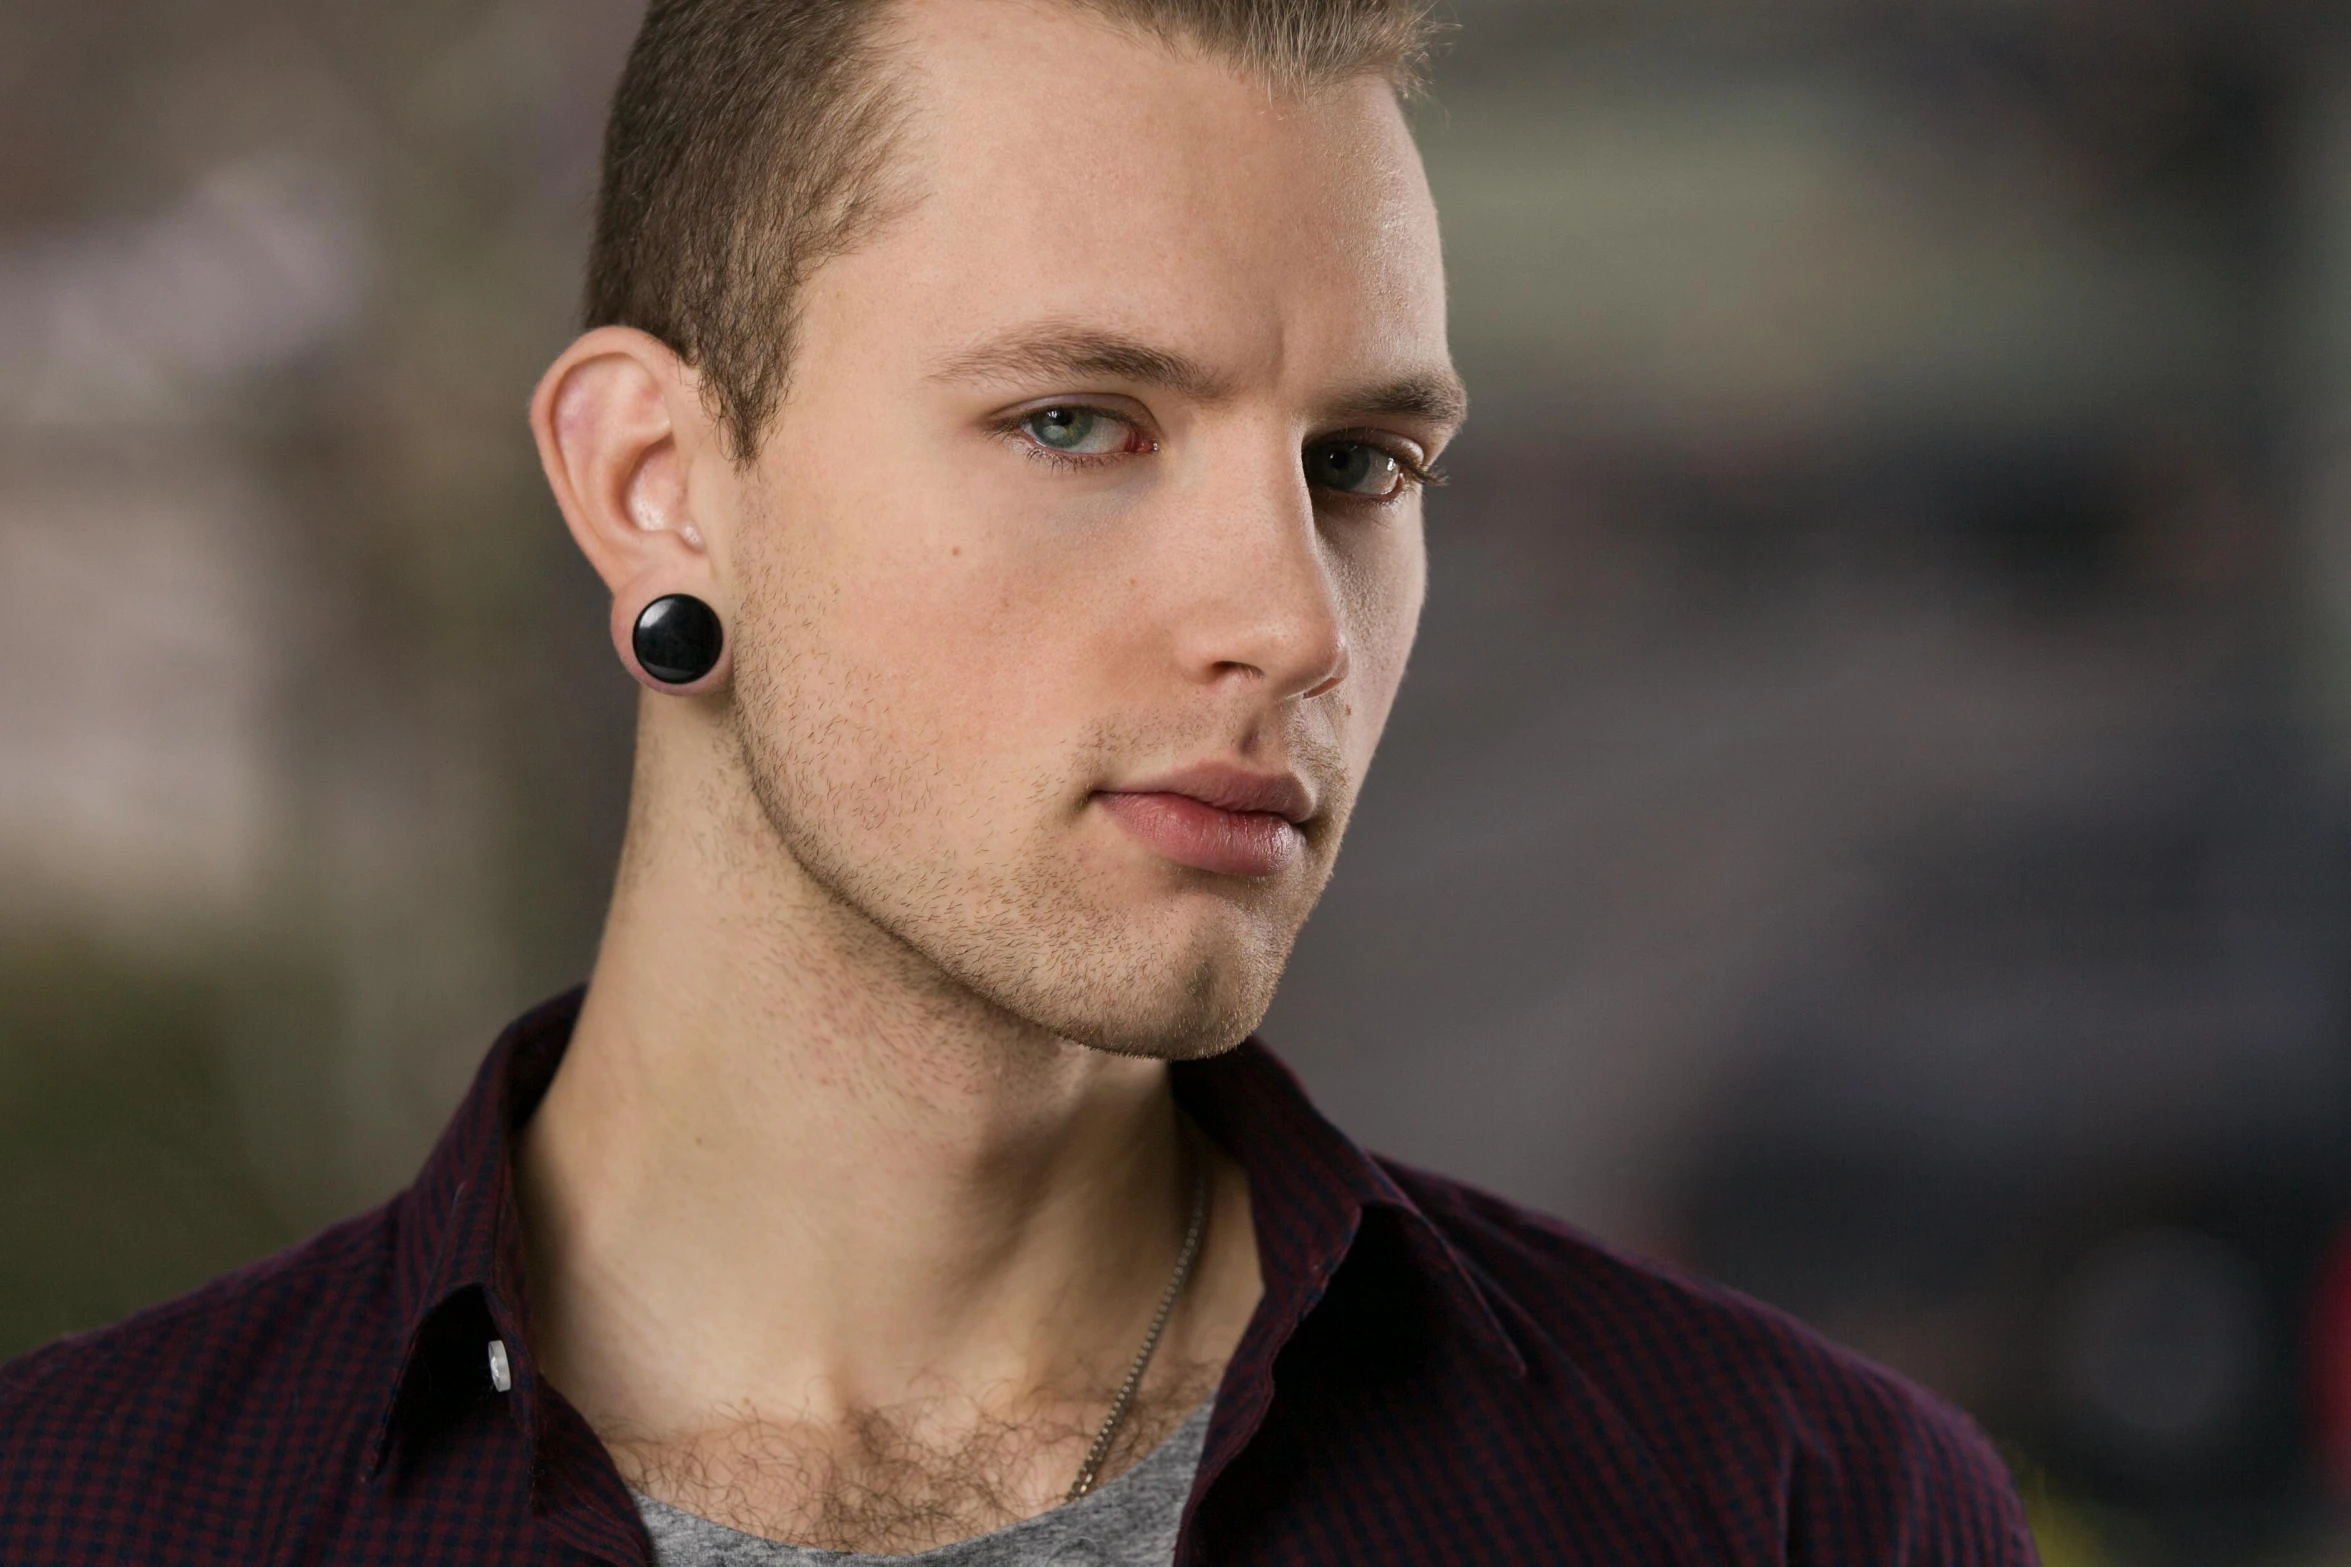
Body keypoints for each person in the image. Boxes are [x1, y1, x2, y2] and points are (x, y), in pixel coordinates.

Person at [0, 0, 2039, 1561]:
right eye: (1078, 422)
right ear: (657, 484)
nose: (1290, 622)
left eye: (1361, 468)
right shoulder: (85, 1516)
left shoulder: (1780, 1513)